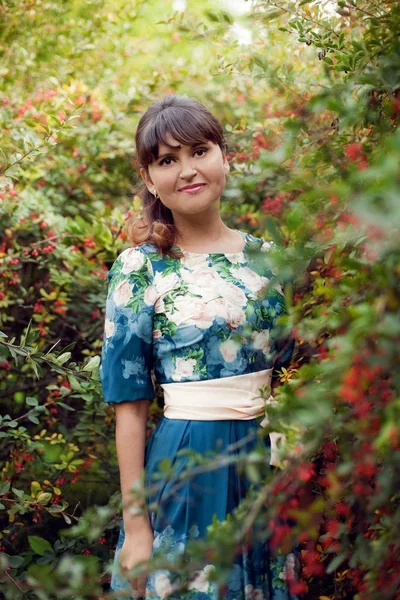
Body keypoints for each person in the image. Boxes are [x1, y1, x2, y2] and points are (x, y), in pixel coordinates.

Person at [100, 94, 297, 600]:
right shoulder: (140, 269)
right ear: (149, 179)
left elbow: (293, 375)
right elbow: (129, 405)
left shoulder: (270, 260)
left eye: (198, 151)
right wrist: (137, 526)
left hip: (266, 466)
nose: (187, 170)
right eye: (167, 160)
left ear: (223, 157)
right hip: (185, 465)